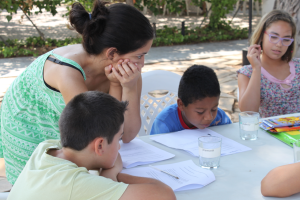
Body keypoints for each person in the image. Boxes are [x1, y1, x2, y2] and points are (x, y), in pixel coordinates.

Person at [0, 0, 154, 185]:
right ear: (112, 54)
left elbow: (126, 134)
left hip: (75, 135)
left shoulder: (127, 73)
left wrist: (127, 87)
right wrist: (111, 170)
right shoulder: (67, 72)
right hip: (29, 131)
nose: (142, 63)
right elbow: (102, 133)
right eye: (139, 55)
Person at [7, 91, 176, 200]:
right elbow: (165, 195)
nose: (119, 148)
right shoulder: (76, 184)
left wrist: (107, 177)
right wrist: (111, 176)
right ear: (100, 145)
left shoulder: (46, 149)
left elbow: (113, 157)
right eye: (118, 140)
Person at [237, 10, 300, 118]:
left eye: (286, 39)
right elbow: (248, 112)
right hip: (268, 134)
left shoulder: (298, 66)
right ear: (262, 36)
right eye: (274, 37)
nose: (279, 44)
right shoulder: (247, 73)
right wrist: (257, 69)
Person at [150, 65, 231, 135]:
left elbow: (231, 137)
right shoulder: (165, 124)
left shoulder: (220, 118)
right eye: (200, 112)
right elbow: (156, 150)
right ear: (181, 105)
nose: (209, 117)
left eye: (214, 109)